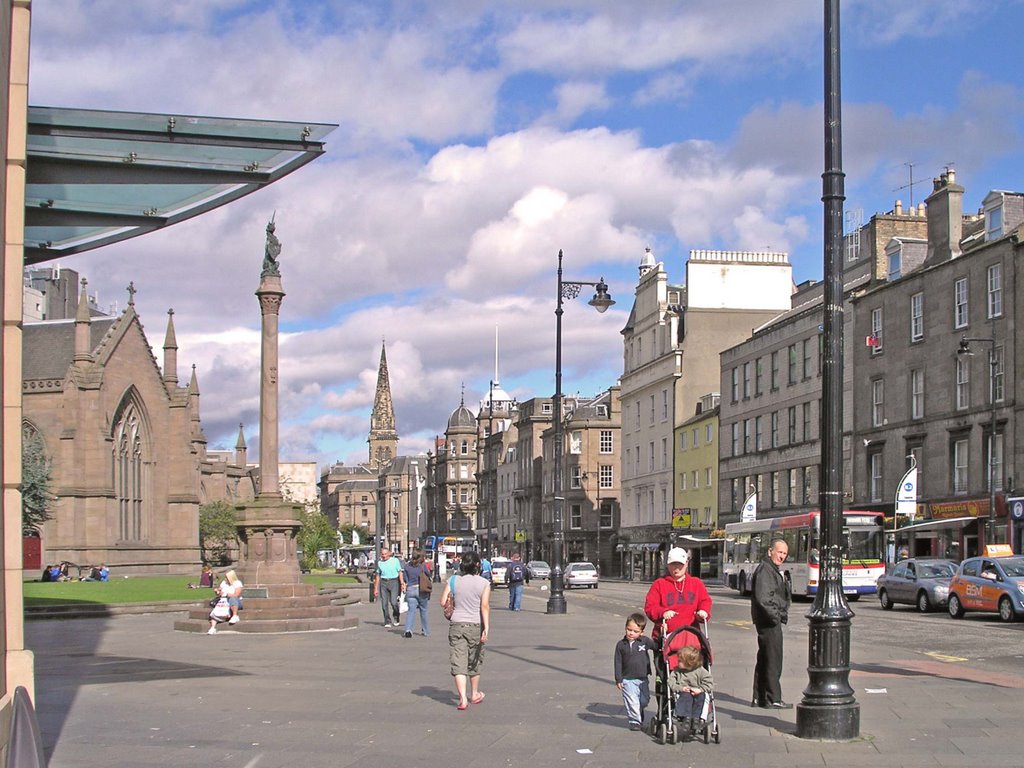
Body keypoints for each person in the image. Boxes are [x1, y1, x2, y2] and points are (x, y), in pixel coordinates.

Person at [439, 551, 490, 710]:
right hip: (475, 624)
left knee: (458, 660)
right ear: (477, 565)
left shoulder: (453, 580)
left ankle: (462, 699)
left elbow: (442, 602)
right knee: (474, 660)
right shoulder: (484, 583)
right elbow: (484, 607)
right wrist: (486, 628)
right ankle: (474, 694)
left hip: (456, 625)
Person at [751, 538, 792, 709]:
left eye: (784, 553)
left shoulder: (770, 569)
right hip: (768, 622)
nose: (781, 556)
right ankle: (772, 698)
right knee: (773, 660)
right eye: (779, 552)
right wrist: (776, 617)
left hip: (767, 620)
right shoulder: (766, 571)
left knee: (765, 658)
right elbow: (763, 599)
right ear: (770, 551)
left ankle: (760, 697)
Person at [643, 547, 712, 643]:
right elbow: (650, 607)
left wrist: (703, 611)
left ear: (686, 564)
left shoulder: (696, 583)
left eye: (680, 564)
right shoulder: (659, 584)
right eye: (673, 564)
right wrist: (663, 613)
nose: (676, 568)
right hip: (666, 637)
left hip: (691, 636)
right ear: (668, 565)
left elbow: (705, 600)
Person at [613, 612, 657, 731]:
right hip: (628, 679)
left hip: (643, 678)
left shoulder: (645, 641)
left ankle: (638, 711)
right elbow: (617, 662)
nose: (631, 633)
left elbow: (657, 647)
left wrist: (663, 634)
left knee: (644, 700)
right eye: (629, 629)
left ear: (641, 632)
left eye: (635, 631)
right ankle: (635, 721)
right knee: (632, 701)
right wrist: (619, 678)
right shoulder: (621, 645)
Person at [669, 645, 714, 740]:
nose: (678, 662)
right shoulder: (677, 671)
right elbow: (671, 682)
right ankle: (686, 718)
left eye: (680, 661)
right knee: (686, 697)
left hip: (698, 691)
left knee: (702, 696)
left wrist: (700, 689)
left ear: (689, 663)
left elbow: (709, 683)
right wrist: (680, 688)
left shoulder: (701, 671)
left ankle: (697, 718)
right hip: (683, 692)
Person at [401, 551, 432, 638]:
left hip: (410, 589)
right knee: (424, 610)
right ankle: (425, 631)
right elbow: (429, 574)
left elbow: (405, 578)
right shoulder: (422, 566)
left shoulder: (407, 566)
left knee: (411, 611)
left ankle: (408, 630)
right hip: (421, 589)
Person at [374, 548, 404, 628]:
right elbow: (378, 575)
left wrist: (402, 583)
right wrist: (376, 588)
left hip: (394, 582)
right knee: (384, 603)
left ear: (389, 554)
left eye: (385, 554)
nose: (383, 556)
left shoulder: (395, 561)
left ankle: (396, 616)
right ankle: (387, 620)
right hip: (383, 582)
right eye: (382, 554)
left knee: (394, 602)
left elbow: (400, 572)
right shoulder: (380, 563)